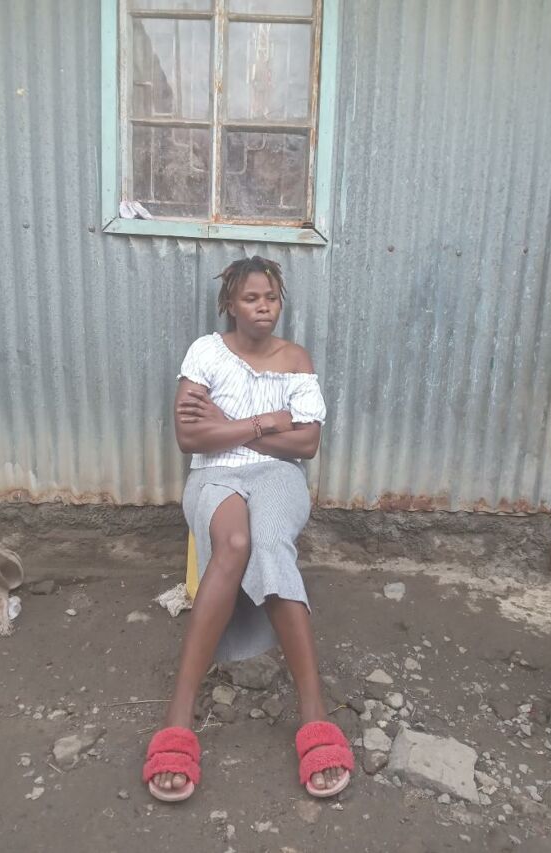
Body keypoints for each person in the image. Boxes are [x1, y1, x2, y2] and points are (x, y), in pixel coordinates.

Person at [142, 256, 354, 802]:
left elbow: (306, 444)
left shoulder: (295, 359)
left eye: (272, 298)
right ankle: (178, 716)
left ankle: (314, 712)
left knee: (270, 542)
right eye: (252, 298)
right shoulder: (205, 353)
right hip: (213, 475)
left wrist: (229, 426)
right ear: (230, 305)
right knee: (233, 542)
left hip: (279, 475)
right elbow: (190, 438)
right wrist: (266, 421)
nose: (264, 307)